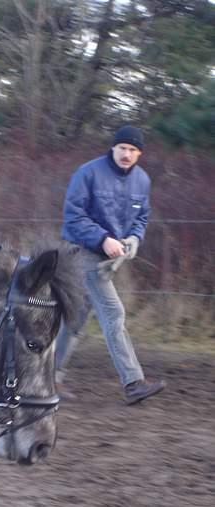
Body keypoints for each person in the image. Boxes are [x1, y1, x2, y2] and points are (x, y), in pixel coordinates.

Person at [56, 125, 165, 405]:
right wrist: (103, 238)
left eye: (132, 150)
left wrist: (133, 239)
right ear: (113, 148)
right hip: (83, 252)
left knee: (74, 319)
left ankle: (48, 378)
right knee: (114, 313)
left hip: (112, 258)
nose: (127, 154)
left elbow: (142, 218)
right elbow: (73, 217)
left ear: (139, 153)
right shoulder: (88, 173)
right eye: (122, 148)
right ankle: (133, 382)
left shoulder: (142, 181)